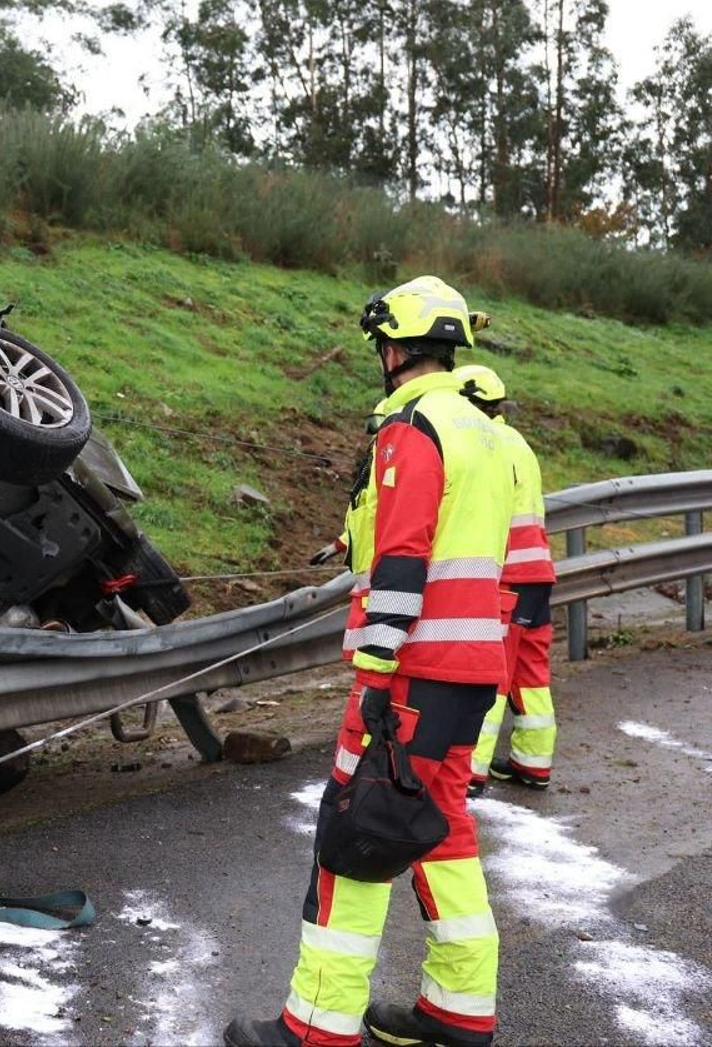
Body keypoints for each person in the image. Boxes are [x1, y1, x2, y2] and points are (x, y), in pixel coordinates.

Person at [225, 277, 515, 1047]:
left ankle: (316, 1028)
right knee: (441, 828)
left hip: (412, 672)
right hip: (474, 666)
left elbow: (404, 560)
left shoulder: (414, 427)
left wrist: (378, 675)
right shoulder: (488, 434)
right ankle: (459, 1010)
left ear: (394, 349)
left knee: (357, 833)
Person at [456, 364, 558, 794]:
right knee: (531, 674)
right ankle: (532, 762)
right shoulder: (519, 442)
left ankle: (471, 771)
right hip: (537, 575)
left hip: (506, 577)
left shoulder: (486, 443)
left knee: (491, 673)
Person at [309, 400, 387, 572]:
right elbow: (368, 517)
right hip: (367, 576)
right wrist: (339, 545)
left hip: (382, 576)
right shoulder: (375, 470)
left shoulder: (394, 473)